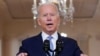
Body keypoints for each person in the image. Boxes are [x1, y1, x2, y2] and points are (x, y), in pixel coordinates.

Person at [17, 2, 87, 56]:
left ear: (58, 20)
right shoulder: (28, 44)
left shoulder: (71, 44)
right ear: (39, 21)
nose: (49, 18)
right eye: (45, 15)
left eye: (52, 15)